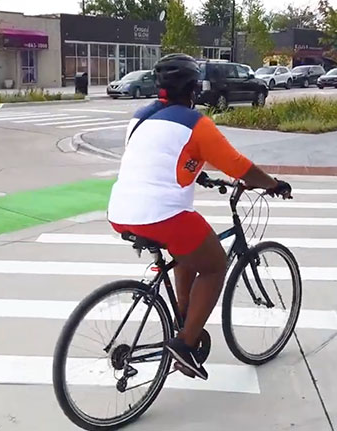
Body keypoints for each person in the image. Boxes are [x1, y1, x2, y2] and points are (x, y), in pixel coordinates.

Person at [107, 53, 292, 380]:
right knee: (215, 265)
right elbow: (237, 165)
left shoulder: (139, 118)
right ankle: (186, 345)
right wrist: (273, 184)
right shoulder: (197, 124)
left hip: (121, 210)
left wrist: (199, 173)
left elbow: (157, 160)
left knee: (188, 250)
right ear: (194, 88)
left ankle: (181, 317)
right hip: (160, 213)